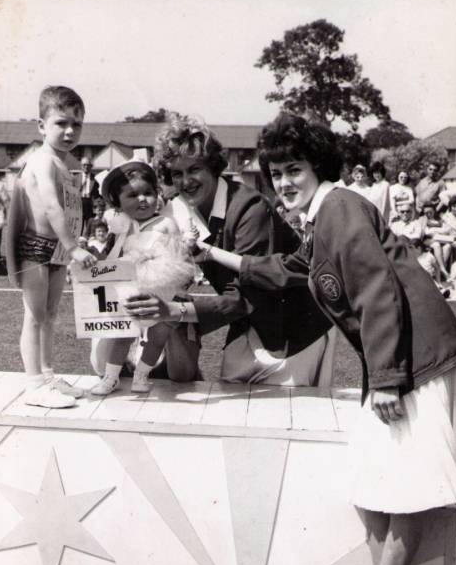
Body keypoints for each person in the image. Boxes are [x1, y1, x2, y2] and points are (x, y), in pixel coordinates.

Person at [198, 113, 456, 565]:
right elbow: (284, 270)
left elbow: (378, 291)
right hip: (396, 362)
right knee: (372, 485)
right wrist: (212, 254)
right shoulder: (322, 220)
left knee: (403, 486)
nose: (284, 183)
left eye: (294, 169)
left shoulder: (341, 208)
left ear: (319, 167)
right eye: (275, 174)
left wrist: (390, 377)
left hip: (418, 361)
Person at [124, 114, 334, 386]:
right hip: (248, 319)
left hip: (296, 328)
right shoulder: (176, 210)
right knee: (230, 392)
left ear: (213, 167)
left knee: (282, 414)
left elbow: (245, 295)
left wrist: (175, 311)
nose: (186, 181)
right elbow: (167, 271)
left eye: (194, 169)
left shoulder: (250, 207)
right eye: (177, 173)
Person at [6, 85, 98, 409]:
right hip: (36, 246)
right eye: (61, 123)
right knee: (33, 315)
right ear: (42, 125)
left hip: (58, 249)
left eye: (77, 124)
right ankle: (33, 385)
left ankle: (47, 375)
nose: (70, 131)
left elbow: (70, 209)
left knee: (51, 314)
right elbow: (50, 207)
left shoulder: (66, 165)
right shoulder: (42, 161)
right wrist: (73, 248)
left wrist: (75, 240)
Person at [89, 160, 199, 395]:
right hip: (131, 290)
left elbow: (180, 257)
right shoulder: (122, 228)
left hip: (162, 290)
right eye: (132, 195)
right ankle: (111, 377)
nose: (142, 199)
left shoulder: (166, 223)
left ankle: (142, 374)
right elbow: (112, 260)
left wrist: (183, 247)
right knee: (123, 336)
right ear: (118, 202)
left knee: (157, 337)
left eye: (148, 193)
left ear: (157, 195)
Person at [79, 156, 101, 227]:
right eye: (84, 165)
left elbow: (98, 194)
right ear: (81, 165)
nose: (86, 167)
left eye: (88, 165)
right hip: (79, 203)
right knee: (79, 226)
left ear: (91, 166)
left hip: (90, 204)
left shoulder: (96, 179)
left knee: (90, 225)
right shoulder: (75, 178)